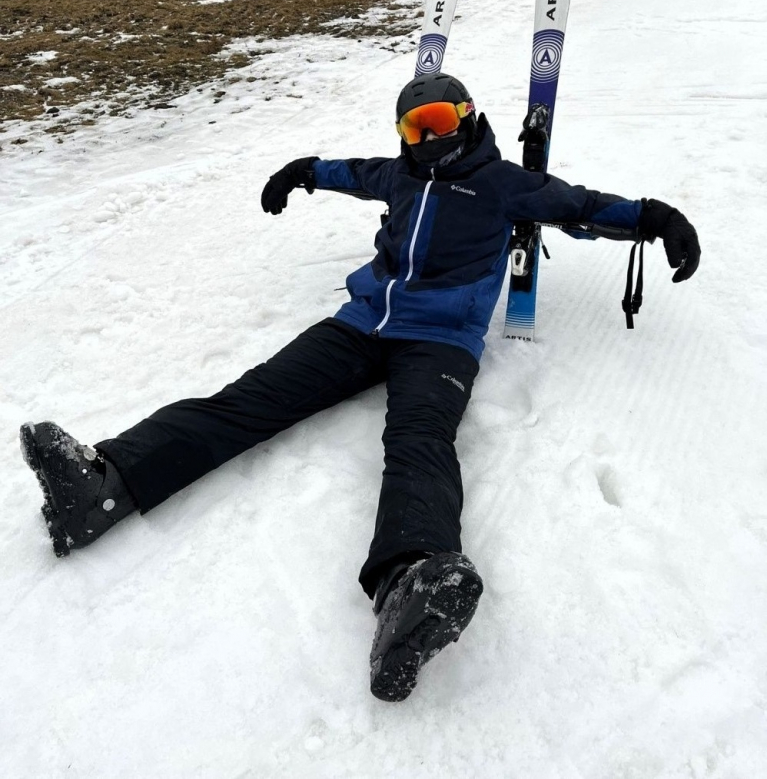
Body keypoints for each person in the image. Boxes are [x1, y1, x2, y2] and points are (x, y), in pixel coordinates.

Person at [20, 72, 700, 702]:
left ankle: (413, 582)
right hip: (361, 324)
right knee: (252, 397)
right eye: (413, 128)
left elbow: (582, 206)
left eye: (438, 122)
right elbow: (350, 172)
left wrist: (656, 218)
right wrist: (303, 173)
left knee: (419, 439)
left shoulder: (502, 183)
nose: (427, 139)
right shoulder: (399, 175)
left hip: (441, 340)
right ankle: (104, 486)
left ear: (467, 118)